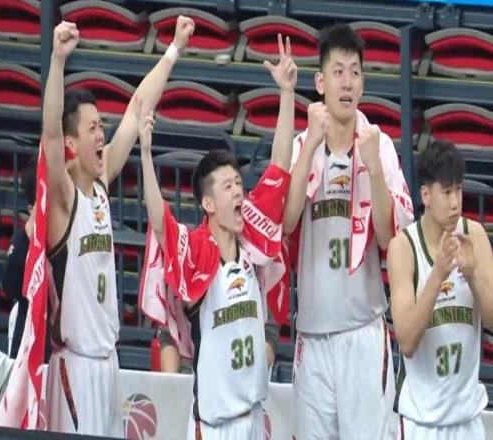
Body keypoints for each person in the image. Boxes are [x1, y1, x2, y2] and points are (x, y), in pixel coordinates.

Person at [41, 16, 195, 436]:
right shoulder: (63, 198)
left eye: (101, 127)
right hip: (75, 367)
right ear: (72, 143)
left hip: (108, 362)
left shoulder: (100, 182)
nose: (101, 136)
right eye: (92, 128)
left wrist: (174, 49)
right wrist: (57, 60)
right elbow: (50, 135)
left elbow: (137, 106)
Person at [138, 34, 296, 439]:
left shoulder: (252, 242)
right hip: (214, 426)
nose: (239, 192)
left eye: (239, 183)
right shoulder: (196, 253)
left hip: (255, 418)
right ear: (208, 204)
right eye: (228, 187)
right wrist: (146, 153)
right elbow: (160, 221)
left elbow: (279, 168)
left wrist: (286, 93)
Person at [284, 24, 414, 439]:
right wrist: (309, 147)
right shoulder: (301, 144)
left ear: (363, 83)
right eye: (337, 72)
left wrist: (373, 169)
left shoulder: (380, 145)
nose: (346, 82)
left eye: (354, 72)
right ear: (320, 82)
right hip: (312, 336)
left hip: (363, 333)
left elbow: (390, 239)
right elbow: (285, 223)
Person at [388, 141, 492, 439]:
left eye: (458, 190)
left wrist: (473, 276)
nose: (455, 202)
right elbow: (407, 341)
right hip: (420, 423)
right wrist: (437, 276)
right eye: (446, 192)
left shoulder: (474, 236)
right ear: (426, 195)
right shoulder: (403, 247)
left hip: (467, 419)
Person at [2, 161, 37, 360]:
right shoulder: (21, 239)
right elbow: (10, 287)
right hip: (27, 335)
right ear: (31, 208)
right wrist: (28, 237)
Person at [158, 318, 279, 374]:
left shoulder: (250, 284)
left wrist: (243, 377)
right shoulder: (181, 282)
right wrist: (172, 384)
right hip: (187, 380)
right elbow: (168, 338)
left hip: (236, 381)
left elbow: (269, 339)